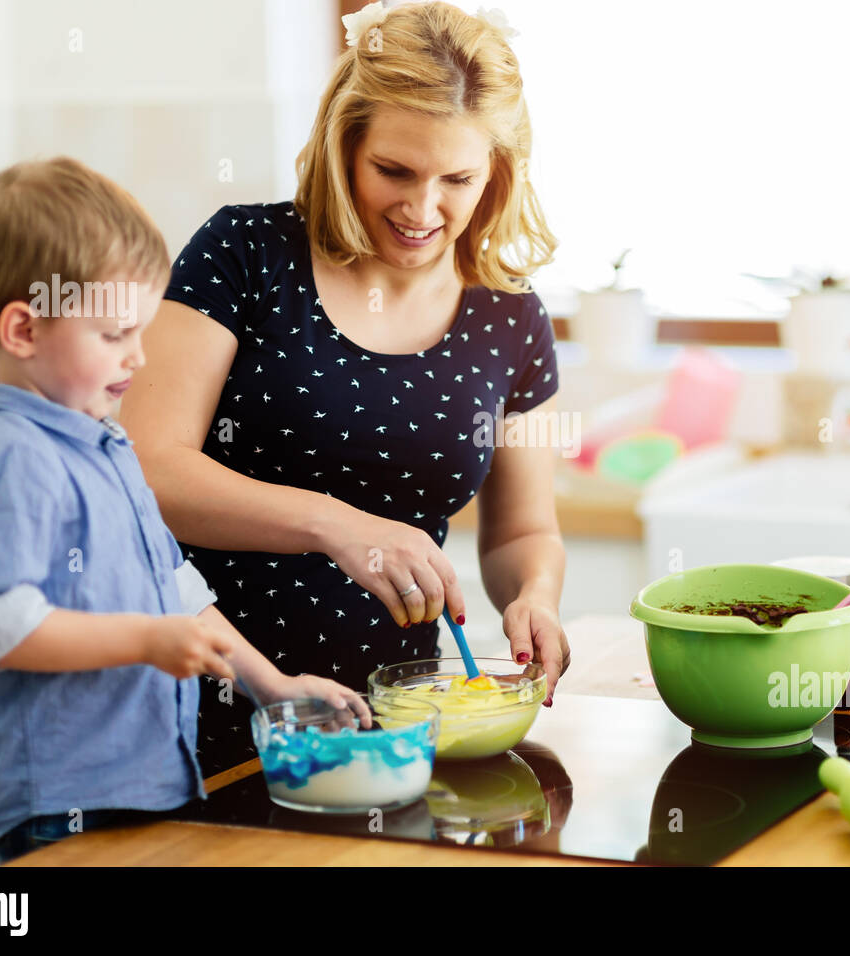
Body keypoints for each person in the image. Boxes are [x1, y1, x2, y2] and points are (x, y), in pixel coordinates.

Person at [119, 0, 571, 778]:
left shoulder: (512, 315)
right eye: (393, 170)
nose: (422, 209)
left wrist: (533, 596)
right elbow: (143, 468)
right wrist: (335, 524)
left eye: (457, 178)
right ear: (343, 144)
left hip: (393, 731)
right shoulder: (244, 254)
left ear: (497, 170)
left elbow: (520, 533)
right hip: (201, 706)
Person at [0, 156, 369, 864]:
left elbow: (179, 591)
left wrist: (273, 687)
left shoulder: (105, 444)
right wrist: (145, 641)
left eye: (140, 332)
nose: (139, 358)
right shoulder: (16, 457)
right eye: (114, 336)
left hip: (146, 784)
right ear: (22, 331)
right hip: (59, 802)